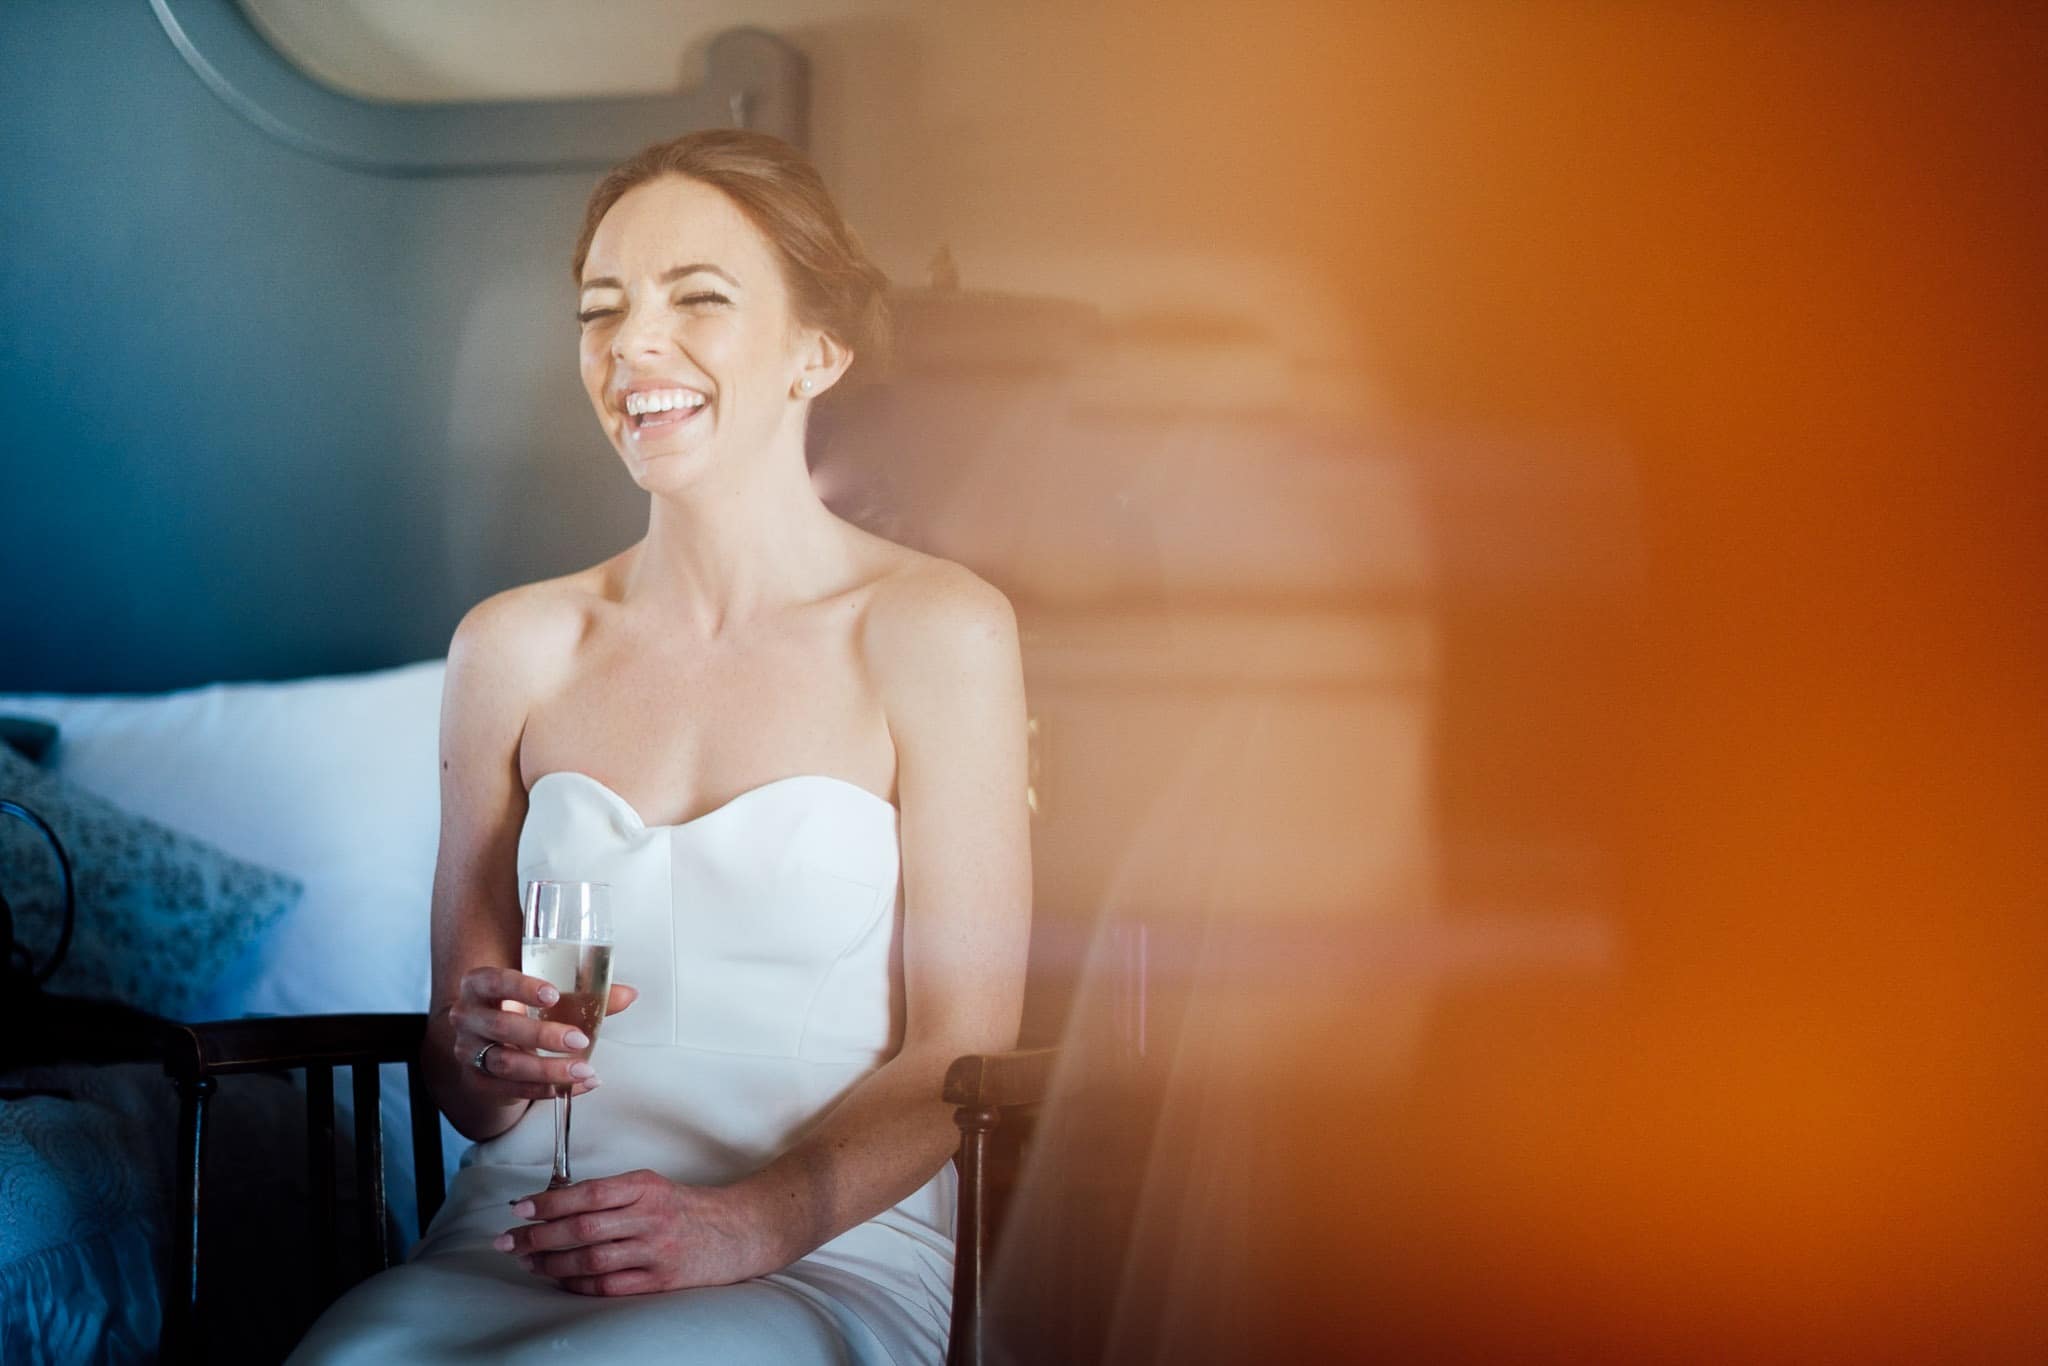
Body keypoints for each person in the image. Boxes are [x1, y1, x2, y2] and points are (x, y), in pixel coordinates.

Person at [290, 129, 1032, 1364]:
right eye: (601, 309)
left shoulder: (935, 630)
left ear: (819, 348)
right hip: (513, 1236)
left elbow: (960, 1043)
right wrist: (479, 1045)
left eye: (696, 298)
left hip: (820, 1253)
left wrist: (751, 1223)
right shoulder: (513, 646)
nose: (631, 344)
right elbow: (466, 1087)